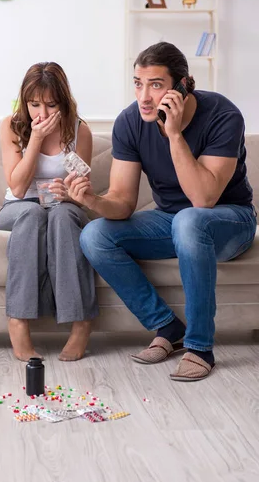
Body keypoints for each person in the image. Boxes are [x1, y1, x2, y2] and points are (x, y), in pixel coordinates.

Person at [66, 42, 256, 381]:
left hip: (230, 221)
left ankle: (200, 347)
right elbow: (122, 203)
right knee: (95, 234)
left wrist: (173, 134)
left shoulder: (223, 115)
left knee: (190, 219)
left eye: (156, 84)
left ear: (183, 85)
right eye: (138, 83)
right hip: (172, 221)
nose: (144, 96)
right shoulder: (129, 122)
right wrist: (92, 200)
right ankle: (168, 328)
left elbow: (203, 199)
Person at [0, 61, 98, 362]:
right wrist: (36, 139)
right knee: (33, 214)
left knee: (62, 216)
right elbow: (16, 188)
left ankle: (81, 325)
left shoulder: (80, 131)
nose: (41, 114)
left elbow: (83, 194)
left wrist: (71, 194)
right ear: (24, 102)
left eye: (51, 105)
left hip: (64, 206)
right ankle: (18, 323)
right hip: (19, 208)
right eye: (34, 105)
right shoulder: (12, 126)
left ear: (63, 102)